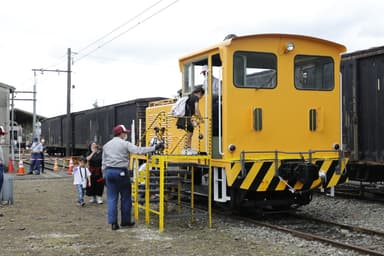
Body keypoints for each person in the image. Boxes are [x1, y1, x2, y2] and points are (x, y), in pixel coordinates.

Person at [102, 124, 163, 230]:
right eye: (125, 133)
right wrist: (155, 147)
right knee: (126, 198)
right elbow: (139, 150)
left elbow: (103, 162)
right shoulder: (125, 144)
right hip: (121, 172)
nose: (126, 135)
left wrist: (104, 176)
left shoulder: (106, 145)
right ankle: (125, 221)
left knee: (112, 199)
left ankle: (113, 223)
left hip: (109, 172)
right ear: (121, 134)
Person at [176, 85, 205, 155]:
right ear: (200, 93)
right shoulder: (195, 97)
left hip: (184, 117)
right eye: (202, 96)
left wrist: (198, 119)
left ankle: (188, 148)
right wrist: (201, 119)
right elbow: (196, 110)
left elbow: (194, 112)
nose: (201, 98)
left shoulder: (190, 97)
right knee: (189, 133)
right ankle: (186, 149)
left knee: (190, 131)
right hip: (186, 117)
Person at [0, 126, 7, 195]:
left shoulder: (0, 146)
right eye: (2, 134)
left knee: (1, 180)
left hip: (1, 166)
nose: (3, 136)